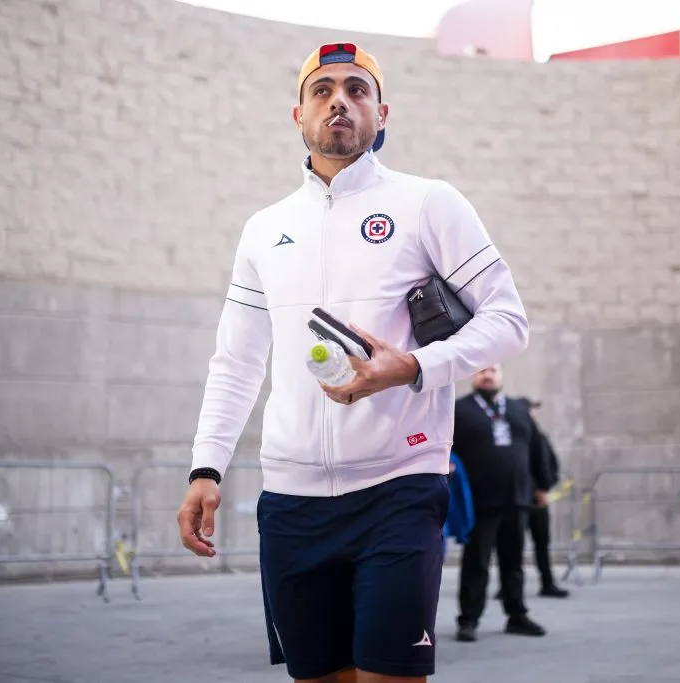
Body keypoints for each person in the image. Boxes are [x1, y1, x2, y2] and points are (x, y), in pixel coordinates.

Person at [176, 42, 529, 683]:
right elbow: (236, 361)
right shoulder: (264, 229)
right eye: (323, 90)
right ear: (299, 115)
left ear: (381, 113)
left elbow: (508, 321)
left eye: (357, 89)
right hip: (291, 500)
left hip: (400, 488)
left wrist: (413, 366)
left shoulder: (429, 203)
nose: (339, 100)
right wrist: (206, 466)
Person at [451, 364, 551, 643]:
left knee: (513, 562)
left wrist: (542, 485)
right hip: (480, 501)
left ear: (501, 374)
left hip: (517, 498)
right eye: (482, 370)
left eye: (493, 370)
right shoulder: (460, 410)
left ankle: (516, 615)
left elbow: (537, 448)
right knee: (476, 562)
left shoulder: (519, 409)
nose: (488, 374)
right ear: (473, 375)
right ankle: (469, 619)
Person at [520, 397, 569, 598]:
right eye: (531, 409)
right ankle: (509, 586)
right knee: (512, 545)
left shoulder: (539, 437)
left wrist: (544, 488)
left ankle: (547, 582)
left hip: (538, 500)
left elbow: (551, 465)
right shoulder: (516, 440)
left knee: (542, 543)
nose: (534, 413)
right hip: (518, 500)